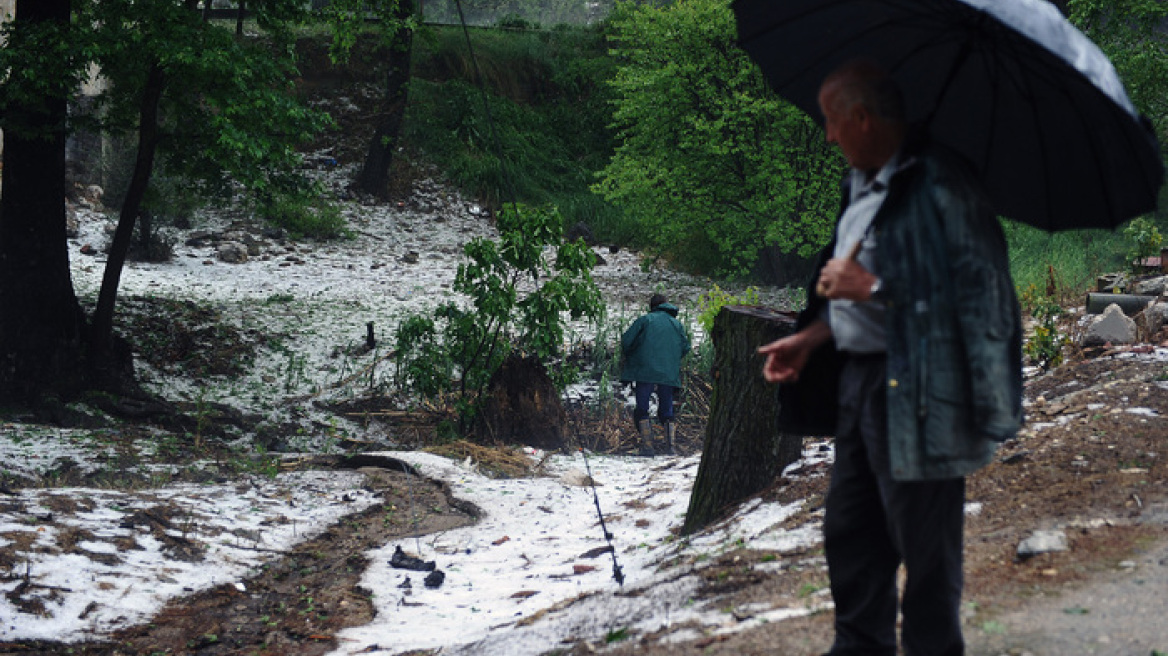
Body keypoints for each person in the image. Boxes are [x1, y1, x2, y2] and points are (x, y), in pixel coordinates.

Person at [758, 60, 1023, 656]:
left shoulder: (944, 186)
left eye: (831, 121)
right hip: (859, 385)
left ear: (863, 118)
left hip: (925, 392)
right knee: (851, 536)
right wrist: (812, 338)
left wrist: (875, 288)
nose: (827, 136)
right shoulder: (860, 184)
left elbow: (982, 299)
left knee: (926, 551)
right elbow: (848, 291)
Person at [620, 293, 691, 456]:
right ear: (666, 305)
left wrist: (634, 356)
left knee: (643, 408)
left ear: (651, 307)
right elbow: (686, 347)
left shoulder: (645, 320)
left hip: (644, 371)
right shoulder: (676, 324)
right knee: (667, 409)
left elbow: (626, 342)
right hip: (668, 373)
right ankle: (670, 447)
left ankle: (648, 447)